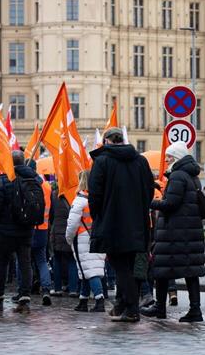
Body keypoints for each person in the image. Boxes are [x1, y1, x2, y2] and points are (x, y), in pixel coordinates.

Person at [89, 127, 155, 322]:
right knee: (127, 265)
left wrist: (99, 217)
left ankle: (132, 309)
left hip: (111, 222)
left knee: (120, 267)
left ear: (107, 141)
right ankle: (123, 305)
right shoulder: (140, 161)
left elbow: (95, 195)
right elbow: (150, 190)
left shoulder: (102, 162)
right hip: (137, 222)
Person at [142, 142, 205, 322]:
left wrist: (149, 202)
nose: (166, 159)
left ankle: (160, 307)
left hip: (175, 232)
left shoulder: (178, 175)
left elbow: (170, 204)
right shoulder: (191, 176)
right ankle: (195, 310)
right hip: (187, 231)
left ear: (177, 157)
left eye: (169, 156)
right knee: (190, 272)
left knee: (162, 269)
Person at [0, 150, 41, 313]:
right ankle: (24, 299)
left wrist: (0, 221)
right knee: (25, 262)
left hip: (6, 230)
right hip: (27, 228)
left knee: (2, 263)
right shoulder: (35, 179)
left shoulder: (4, 180)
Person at [66, 169, 106, 313]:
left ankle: (99, 300)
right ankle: (83, 301)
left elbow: (72, 224)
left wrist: (69, 238)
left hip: (83, 237)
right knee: (87, 270)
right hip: (98, 236)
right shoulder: (100, 198)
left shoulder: (80, 200)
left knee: (90, 271)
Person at [31, 160, 54, 306]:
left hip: (29, 227)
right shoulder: (46, 185)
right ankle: (46, 289)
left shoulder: (26, 183)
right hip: (43, 227)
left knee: (24, 261)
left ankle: (24, 291)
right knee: (42, 260)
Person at [50, 183, 79, 296]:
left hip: (57, 232)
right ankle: (73, 289)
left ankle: (57, 288)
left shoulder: (54, 195)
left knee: (57, 259)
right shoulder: (74, 195)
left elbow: (51, 216)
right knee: (72, 260)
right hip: (70, 232)